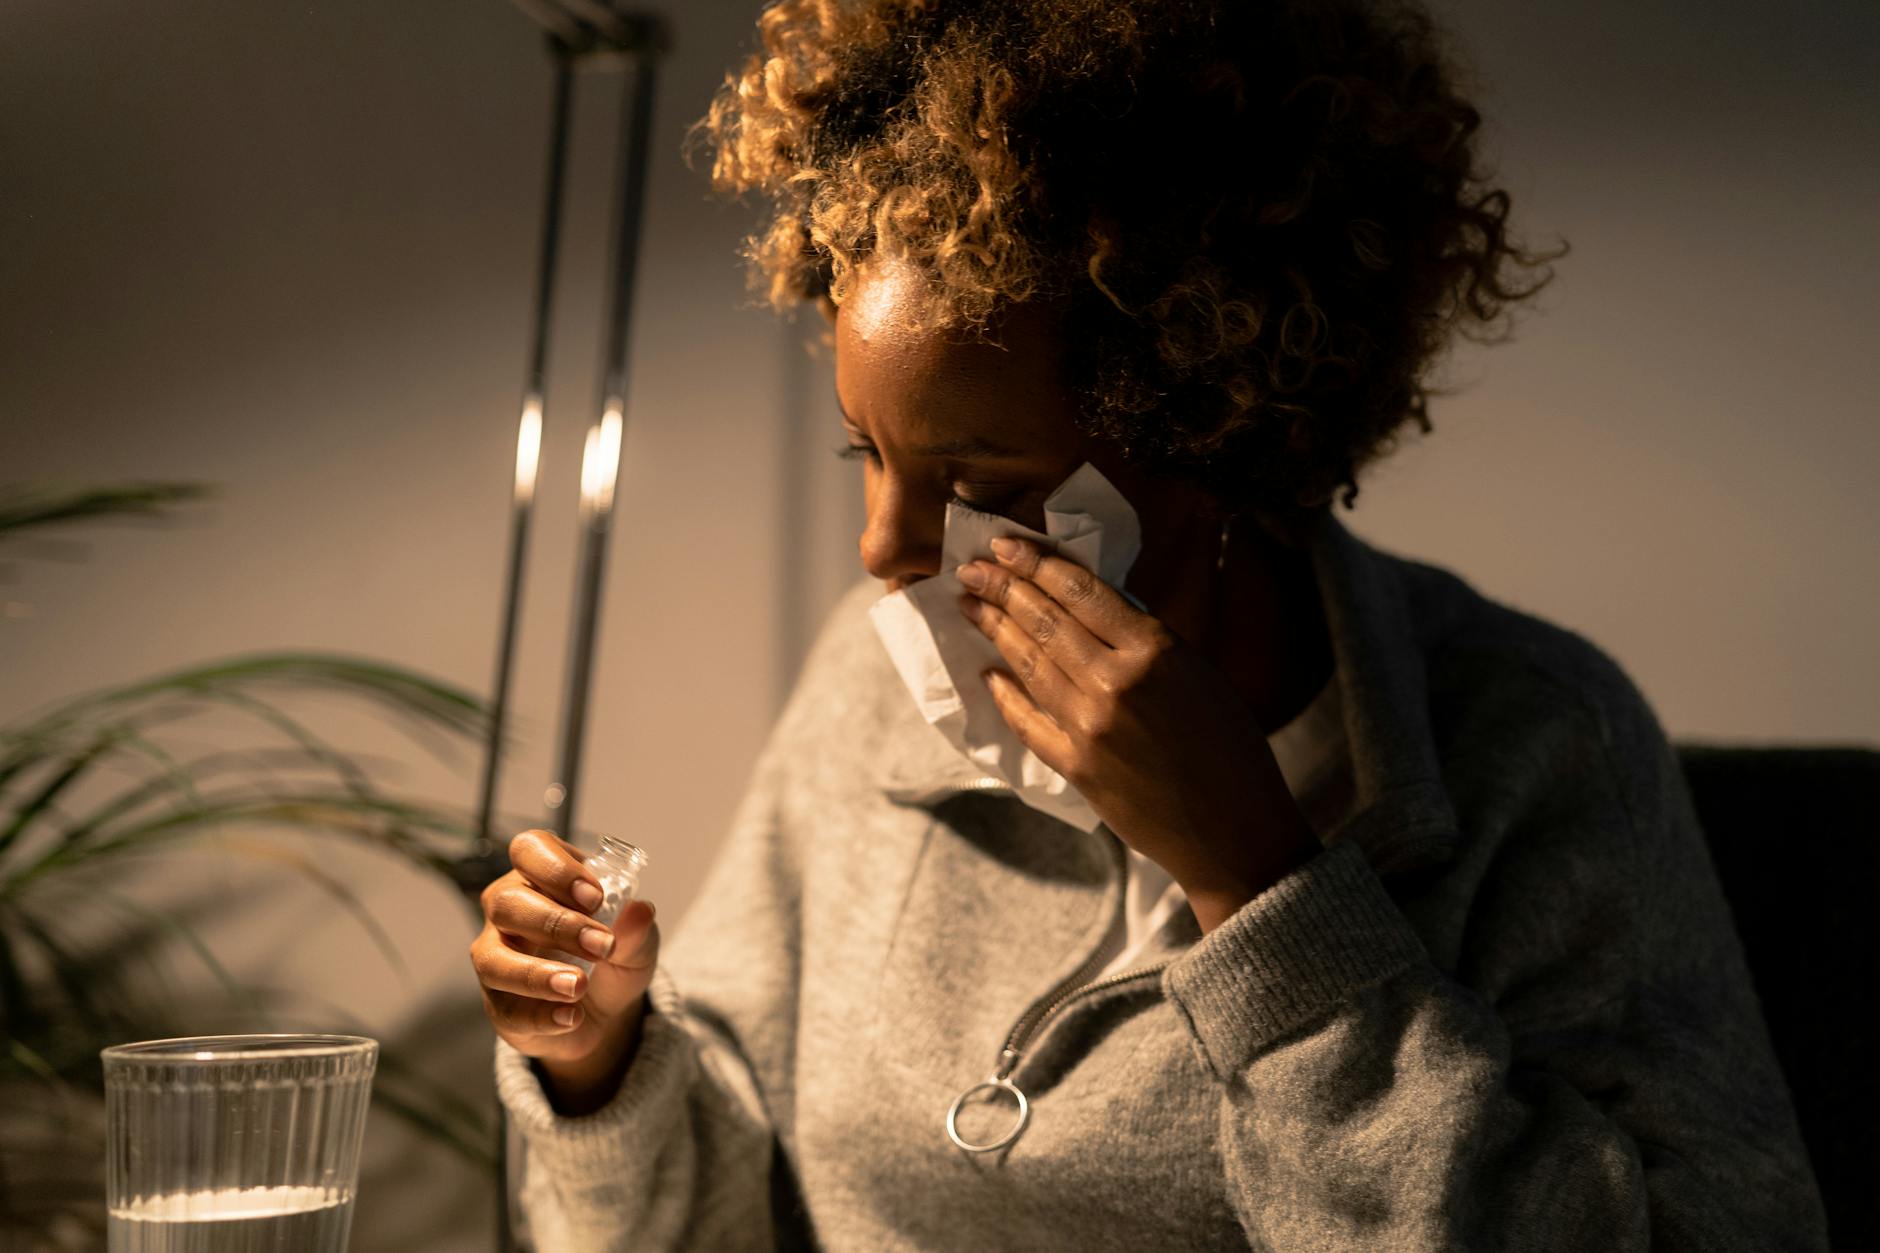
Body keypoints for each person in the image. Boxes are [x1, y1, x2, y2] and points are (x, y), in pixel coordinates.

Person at [469, 0, 1829, 1248]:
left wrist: (1262, 889)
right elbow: (720, 1202)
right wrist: (600, 1059)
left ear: (1227, 435)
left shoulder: (1536, 746)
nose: (884, 550)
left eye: (980, 487)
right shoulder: (873, 684)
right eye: (865, 458)